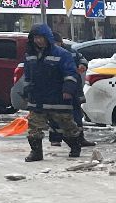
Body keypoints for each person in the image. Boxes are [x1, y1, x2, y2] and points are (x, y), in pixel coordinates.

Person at [21, 24, 83, 162]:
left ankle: (75, 146)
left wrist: (68, 89)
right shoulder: (30, 55)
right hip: (37, 98)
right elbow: (27, 75)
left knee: (67, 126)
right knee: (34, 126)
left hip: (58, 97)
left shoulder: (62, 54)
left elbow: (70, 73)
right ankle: (36, 152)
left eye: (40, 37)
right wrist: (27, 89)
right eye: (35, 38)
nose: (38, 41)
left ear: (47, 37)